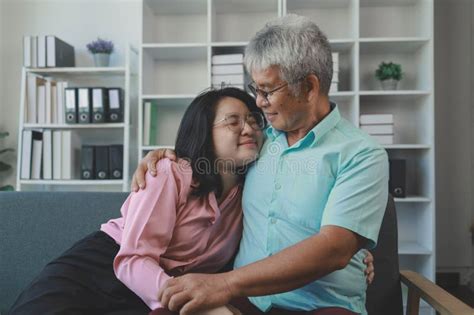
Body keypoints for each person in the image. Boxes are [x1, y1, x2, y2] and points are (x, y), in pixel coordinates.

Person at [132, 14, 388, 315]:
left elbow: (334, 249)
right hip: (248, 303)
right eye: (255, 90)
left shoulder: (362, 154)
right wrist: (165, 156)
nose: (260, 102)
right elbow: (211, 150)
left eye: (267, 90)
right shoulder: (258, 140)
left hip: (320, 306)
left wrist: (225, 284)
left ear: (308, 87)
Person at [8, 88, 266, 315]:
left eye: (254, 122)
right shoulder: (170, 172)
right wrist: (205, 306)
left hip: (153, 294)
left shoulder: (251, 196)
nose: (248, 129)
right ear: (203, 132)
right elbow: (132, 261)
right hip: (101, 269)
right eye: (233, 122)